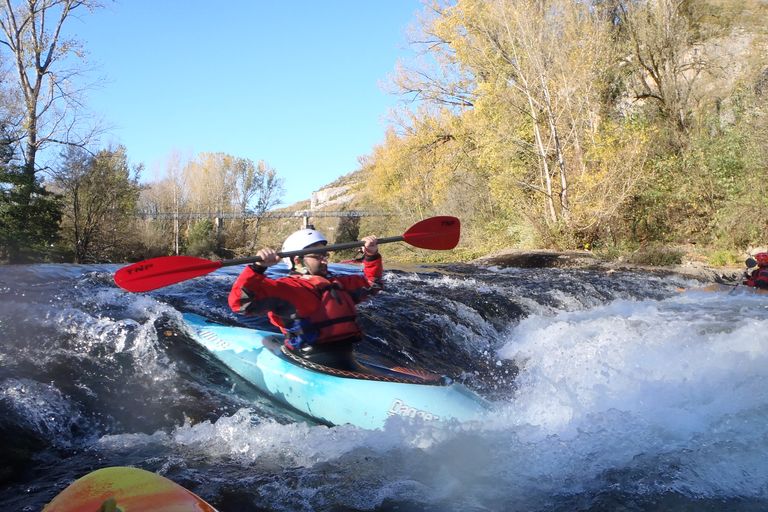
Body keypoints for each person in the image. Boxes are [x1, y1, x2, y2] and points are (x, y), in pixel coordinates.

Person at [228, 227, 383, 372]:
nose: (324, 260)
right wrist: (258, 268)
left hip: (346, 358)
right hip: (306, 362)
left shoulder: (338, 284)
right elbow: (240, 304)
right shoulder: (287, 289)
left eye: (325, 254)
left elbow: (373, 284)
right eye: (318, 255)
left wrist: (371, 255)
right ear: (297, 260)